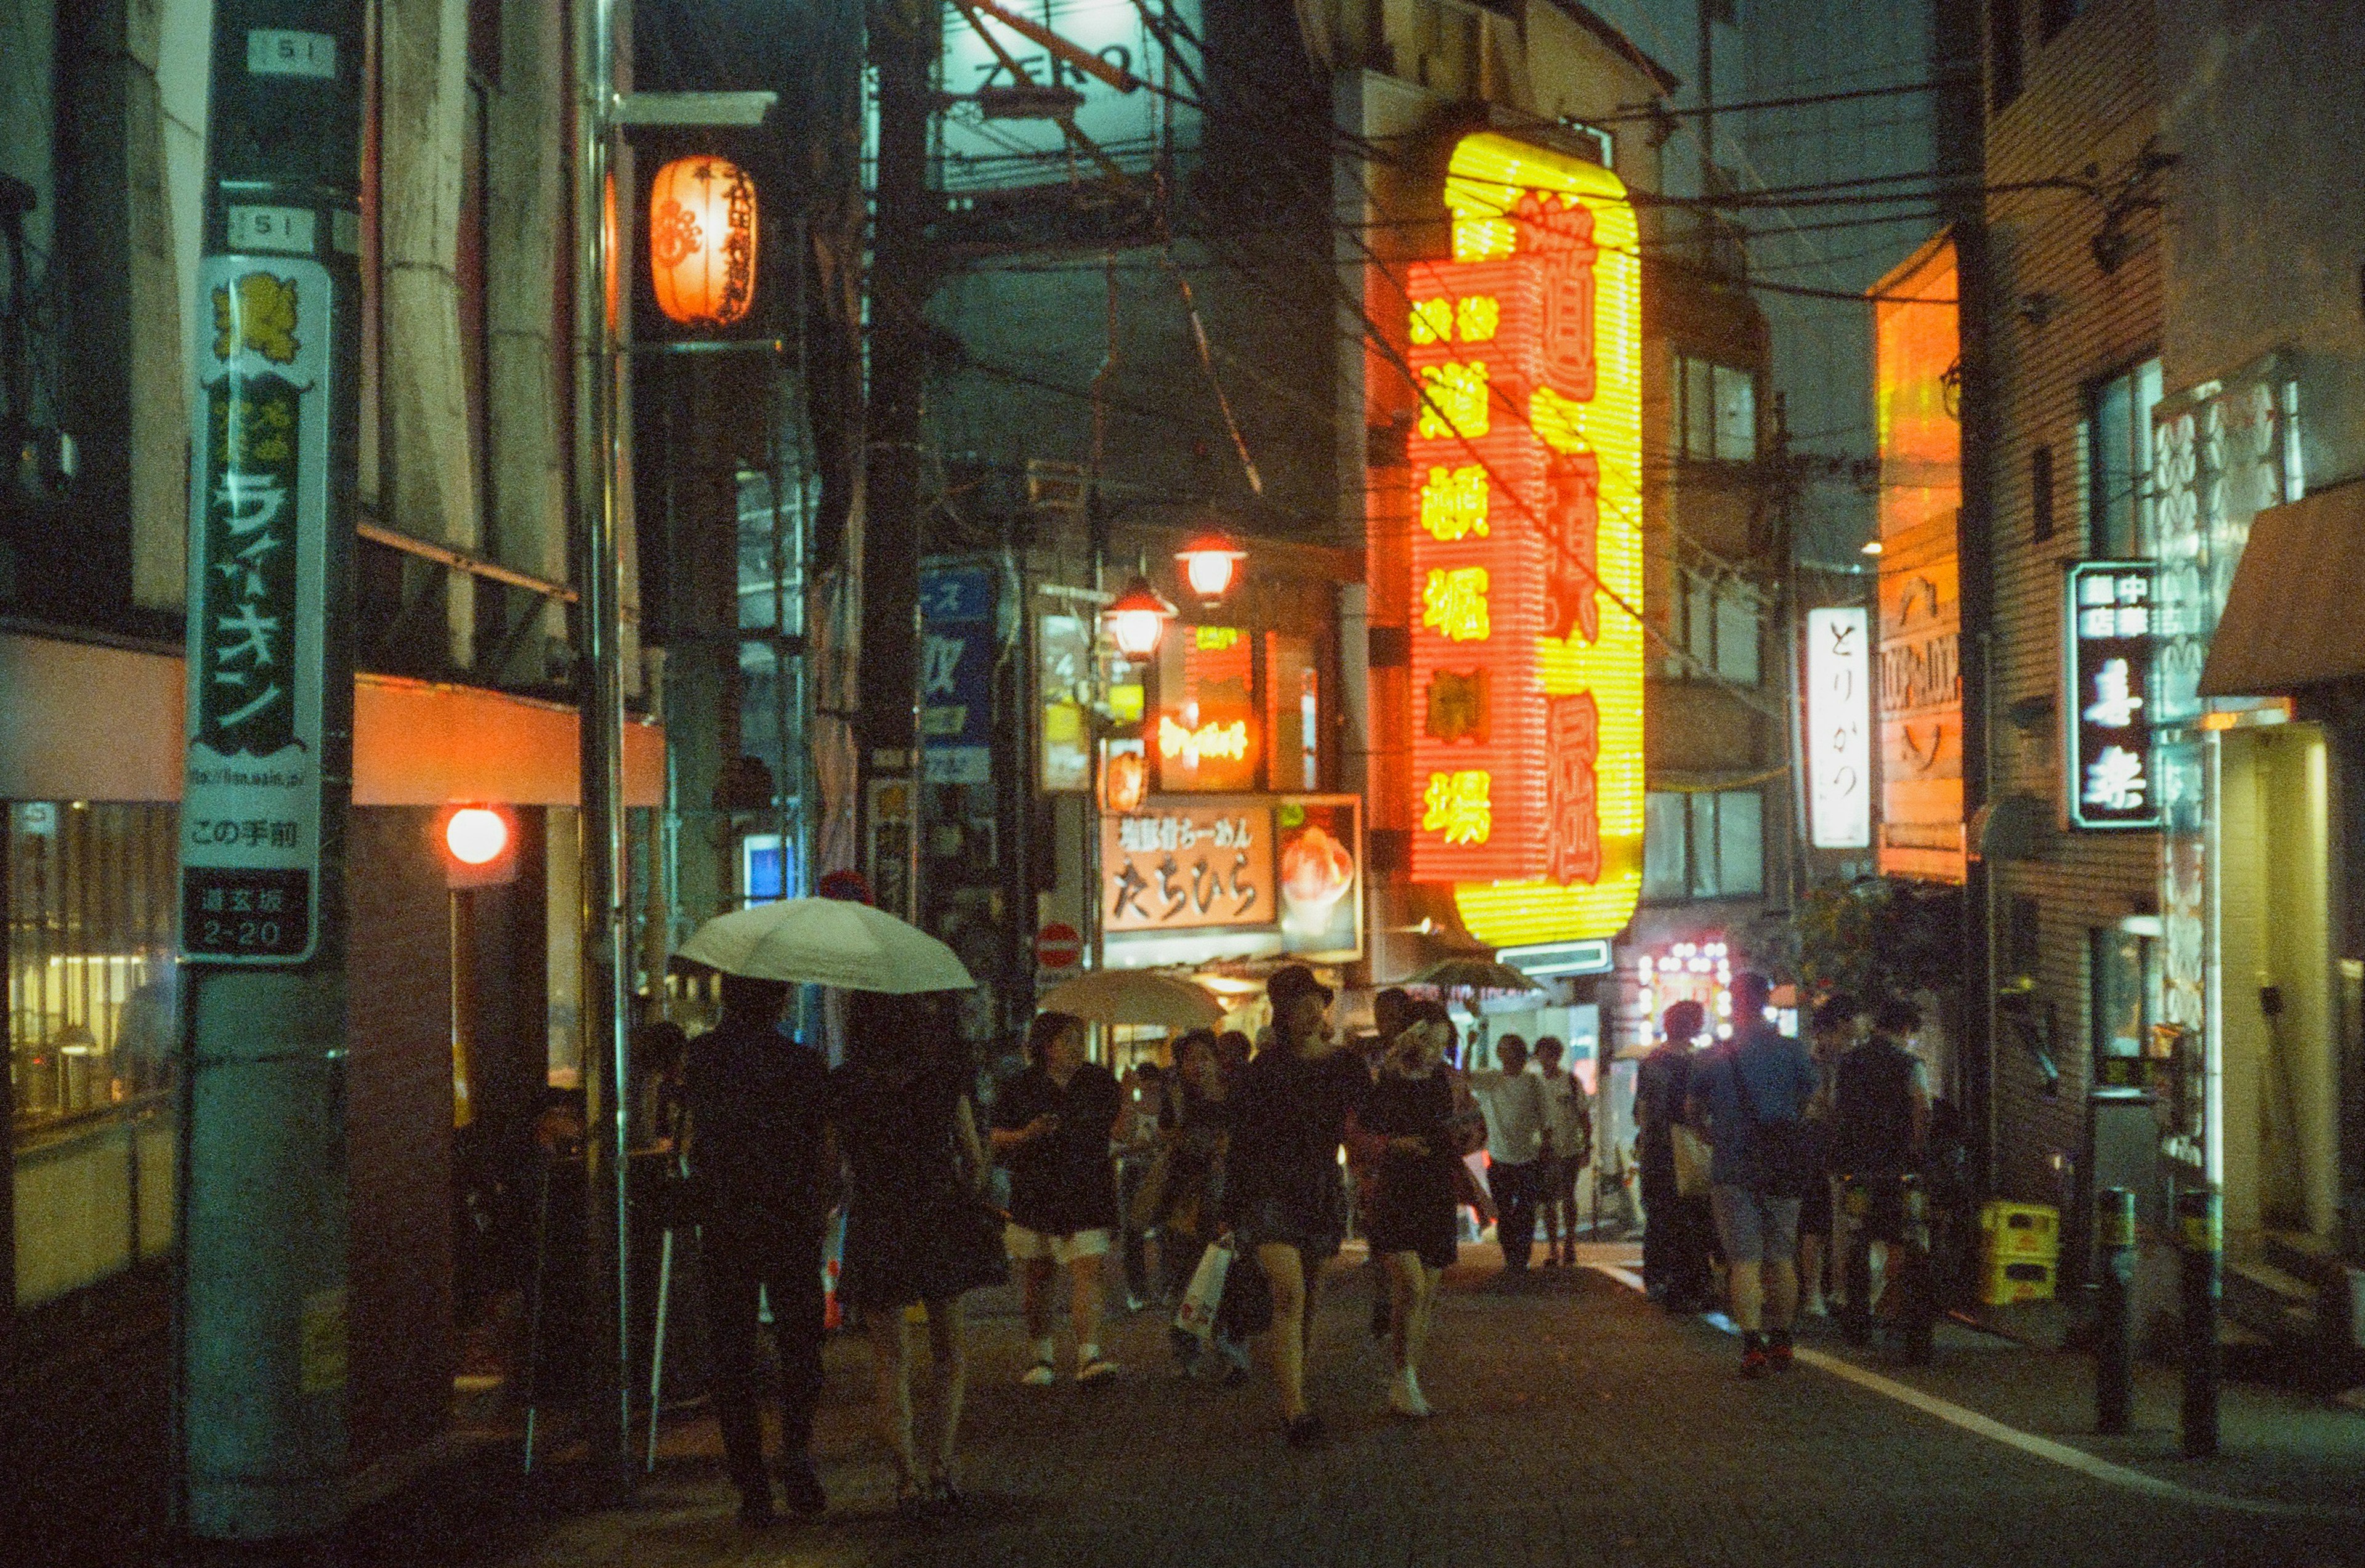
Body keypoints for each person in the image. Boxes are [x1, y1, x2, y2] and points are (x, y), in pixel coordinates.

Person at [831, 992, 1005, 1512]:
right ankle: (943, 1467)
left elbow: (829, 1165)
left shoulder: (845, 1086)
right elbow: (975, 1162)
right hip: (936, 1214)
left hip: (876, 1218)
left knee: (890, 1358)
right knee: (950, 1350)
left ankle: (905, 1478)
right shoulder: (942, 1080)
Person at [680, 974, 834, 1525]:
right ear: (777, 1000)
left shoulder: (701, 1059)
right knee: (800, 1345)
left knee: (732, 1351)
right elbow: (823, 1148)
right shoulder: (806, 1067)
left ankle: (750, 1482)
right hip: (790, 1219)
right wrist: (820, 1206)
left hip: (726, 1219)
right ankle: (796, 1456)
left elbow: (689, 1136)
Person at [1221, 964, 1368, 1446]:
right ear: (1281, 1012)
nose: (1311, 1012)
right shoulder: (1261, 1071)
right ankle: (1294, 1410)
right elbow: (1240, 1142)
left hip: (1321, 1188)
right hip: (1268, 1193)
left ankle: (1294, 1383)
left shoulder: (1345, 1065)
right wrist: (1232, 1207)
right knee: (1289, 1292)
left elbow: (1368, 1120)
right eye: (1299, 1004)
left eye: (1316, 1003)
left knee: (1309, 1298)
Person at [1689, 972, 1822, 1376]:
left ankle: (1752, 1348)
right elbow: (1813, 1101)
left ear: (1734, 1002)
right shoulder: (1793, 1051)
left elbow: (1693, 1113)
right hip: (1783, 1164)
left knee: (1744, 1261)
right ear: (1766, 1002)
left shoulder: (1712, 1057)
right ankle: (1782, 1341)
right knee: (1782, 1257)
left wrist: (1713, 1134)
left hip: (1732, 1167)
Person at [991, 1011, 1125, 1384]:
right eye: (1068, 1040)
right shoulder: (1021, 1086)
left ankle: (1089, 1355)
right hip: (1037, 1192)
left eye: (1080, 1040)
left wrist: (1129, 1102)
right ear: (1046, 1046)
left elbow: (1119, 1132)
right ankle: (1042, 1356)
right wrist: (1027, 1134)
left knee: (1089, 1269)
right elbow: (995, 1135)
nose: (1077, 1048)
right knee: (1039, 1276)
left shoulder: (1098, 1081)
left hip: (1088, 1189)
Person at [1362, 999, 1460, 1416]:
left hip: (1437, 1186)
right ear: (1414, 1036)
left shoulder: (1446, 1078)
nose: (1437, 1051)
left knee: (1428, 1294)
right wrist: (1393, 1145)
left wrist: (1466, 1130)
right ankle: (1403, 1376)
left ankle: (1408, 1378)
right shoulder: (1386, 1076)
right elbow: (1369, 1127)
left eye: (1444, 1044)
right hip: (1397, 1189)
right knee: (1412, 1286)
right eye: (1431, 1042)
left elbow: (1459, 1127)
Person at [1830, 995, 1933, 1344]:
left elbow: (1835, 1109)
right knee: (1906, 1236)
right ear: (1904, 1029)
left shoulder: (1849, 1063)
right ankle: (1902, 1310)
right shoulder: (1910, 1064)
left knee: (1858, 1236)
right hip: (1900, 1170)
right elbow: (1922, 1108)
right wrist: (1917, 1153)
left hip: (1857, 1170)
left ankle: (1857, 1319)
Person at [1158, 1028, 1249, 1382]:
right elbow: (1168, 1136)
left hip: (1231, 1197)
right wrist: (1206, 1146)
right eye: (1189, 1060)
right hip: (1186, 1201)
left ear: (1217, 1060)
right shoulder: (1178, 1099)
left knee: (1229, 1277)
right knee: (1187, 1276)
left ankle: (1232, 1353)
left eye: (1204, 1057)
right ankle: (1187, 1355)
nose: (1197, 1066)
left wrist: (1232, 1149)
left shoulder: (1237, 1097)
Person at [1797, 996, 1863, 1317]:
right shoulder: (1832, 1061)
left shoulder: (1814, 1056)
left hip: (1818, 1142)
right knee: (1827, 1221)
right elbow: (1829, 1105)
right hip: (1825, 1143)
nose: (1856, 1030)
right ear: (1838, 1025)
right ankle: (1826, 1293)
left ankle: (1821, 1294)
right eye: (1852, 1025)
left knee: (1822, 1222)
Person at [1465, 1033, 1548, 1279]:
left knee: (1526, 1211)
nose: (1505, 1056)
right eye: (1502, 1050)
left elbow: (1545, 1120)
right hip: (1500, 1158)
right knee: (1504, 1211)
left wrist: (1547, 1147)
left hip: (1528, 1158)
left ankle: (1520, 1257)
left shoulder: (1533, 1083)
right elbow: (1465, 1077)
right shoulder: (1491, 1080)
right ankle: (1512, 1255)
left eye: (1509, 1051)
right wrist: (1469, 1045)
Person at [1532, 1036, 1592, 1267]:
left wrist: (1587, 1146)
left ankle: (1569, 1243)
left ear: (1557, 1056)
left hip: (1569, 1149)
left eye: (1549, 1054)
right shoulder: (1534, 1083)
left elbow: (1584, 1116)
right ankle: (1552, 1248)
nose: (1545, 1059)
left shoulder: (1571, 1081)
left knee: (1568, 1196)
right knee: (1547, 1201)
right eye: (1541, 1054)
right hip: (1543, 1151)